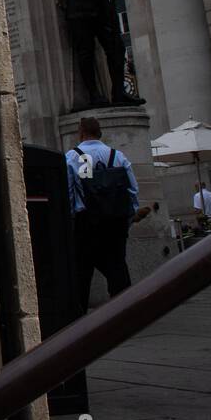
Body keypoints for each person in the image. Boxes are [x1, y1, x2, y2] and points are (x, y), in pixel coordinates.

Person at [65, 117, 139, 311]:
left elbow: (69, 192)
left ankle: (79, 313)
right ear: (100, 133)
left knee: (82, 270)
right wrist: (129, 218)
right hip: (115, 220)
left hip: (87, 221)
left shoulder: (73, 157)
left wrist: (72, 219)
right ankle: (124, 309)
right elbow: (132, 190)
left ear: (80, 132)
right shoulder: (117, 155)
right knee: (117, 266)